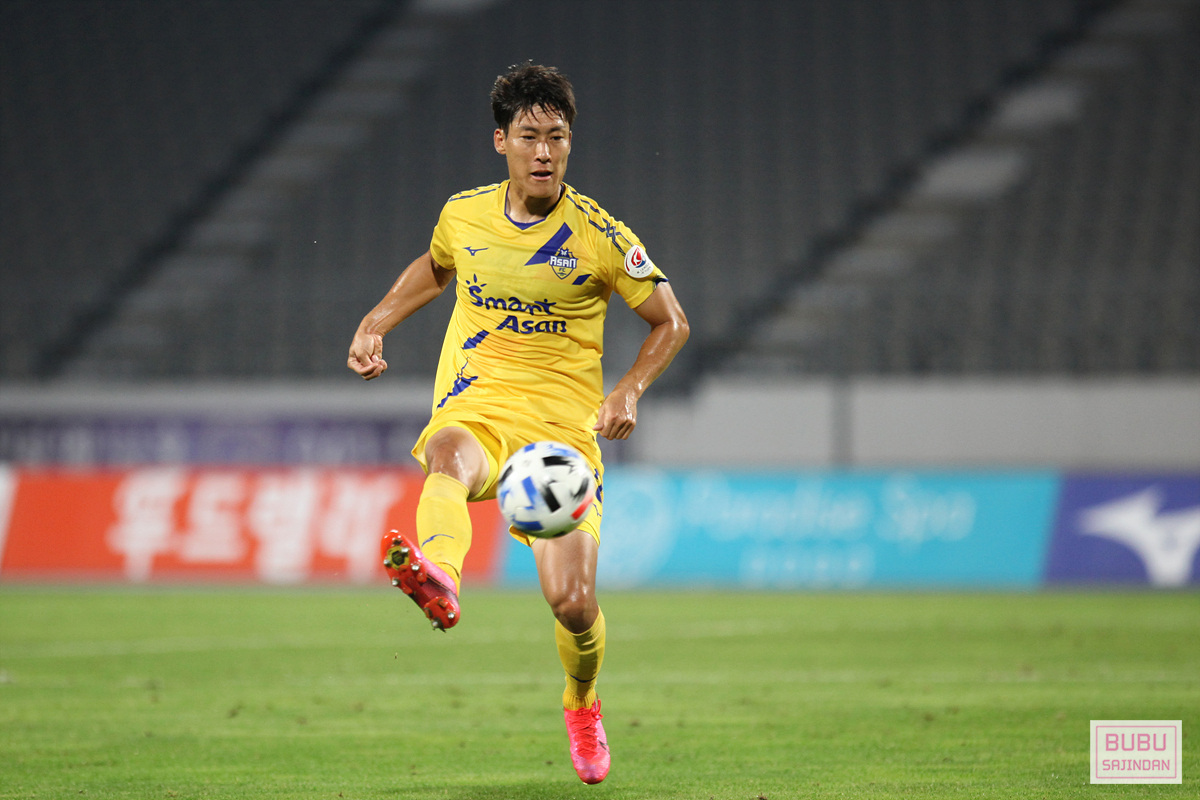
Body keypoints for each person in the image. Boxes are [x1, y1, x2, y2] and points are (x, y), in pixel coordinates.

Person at [346, 62, 689, 785]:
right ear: (500, 141)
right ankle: (441, 577)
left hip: (562, 436)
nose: (544, 152)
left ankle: (582, 702)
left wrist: (629, 390)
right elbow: (438, 266)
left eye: (556, 137)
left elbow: (671, 321)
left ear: (570, 143)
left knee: (573, 604)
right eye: (529, 136)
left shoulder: (600, 236)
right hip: (479, 404)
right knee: (447, 455)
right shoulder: (463, 215)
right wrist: (376, 321)